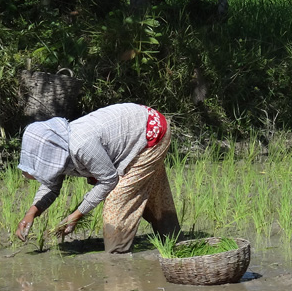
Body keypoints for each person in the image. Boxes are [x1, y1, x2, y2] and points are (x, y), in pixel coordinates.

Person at [15, 103, 181, 253]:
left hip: (149, 132)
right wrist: (31, 213)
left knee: (117, 202)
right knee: (156, 195)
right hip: (136, 135)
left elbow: (108, 180)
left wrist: (76, 216)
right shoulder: (59, 146)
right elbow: (51, 185)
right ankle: (174, 243)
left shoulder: (81, 145)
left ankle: (118, 256)